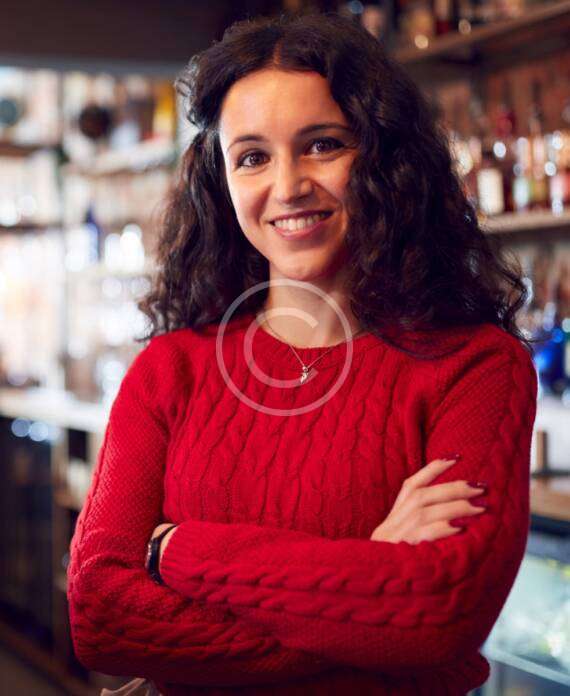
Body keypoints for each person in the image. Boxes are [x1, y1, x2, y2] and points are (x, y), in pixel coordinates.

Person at [67, 11, 538, 696]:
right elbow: (100, 617)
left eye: (322, 145)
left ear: (384, 157)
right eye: (252, 157)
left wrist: (172, 551)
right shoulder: (170, 371)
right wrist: (368, 575)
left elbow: (437, 614)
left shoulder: (475, 368)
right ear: (222, 181)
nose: (287, 186)